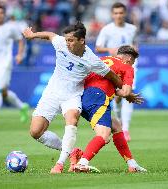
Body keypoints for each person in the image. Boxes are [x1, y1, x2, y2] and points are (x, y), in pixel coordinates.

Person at [22, 21, 123, 174]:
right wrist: (32, 35)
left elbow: (113, 77)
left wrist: (125, 90)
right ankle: (71, 151)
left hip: (73, 95)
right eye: (66, 39)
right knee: (35, 132)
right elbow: (50, 35)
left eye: (70, 40)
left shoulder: (92, 60)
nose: (67, 43)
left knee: (72, 119)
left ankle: (59, 164)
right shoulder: (61, 43)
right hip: (52, 92)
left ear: (81, 40)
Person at [70, 45, 146, 173]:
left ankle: (132, 164)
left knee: (115, 125)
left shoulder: (103, 59)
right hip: (98, 98)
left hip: (82, 98)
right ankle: (82, 162)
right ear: (128, 58)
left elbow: (108, 85)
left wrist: (124, 93)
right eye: (132, 62)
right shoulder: (127, 67)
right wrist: (129, 95)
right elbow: (126, 91)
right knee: (104, 136)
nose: (132, 65)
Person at [95, 2, 138, 141]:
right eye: (116, 13)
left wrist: (133, 51)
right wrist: (110, 50)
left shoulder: (132, 29)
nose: (118, 15)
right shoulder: (107, 29)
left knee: (128, 93)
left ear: (125, 14)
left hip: (129, 66)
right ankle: (119, 122)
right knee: (118, 98)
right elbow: (98, 47)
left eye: (121, 13)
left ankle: (125, 129)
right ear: (112, 14)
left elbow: (136, 46)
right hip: (113, 68)